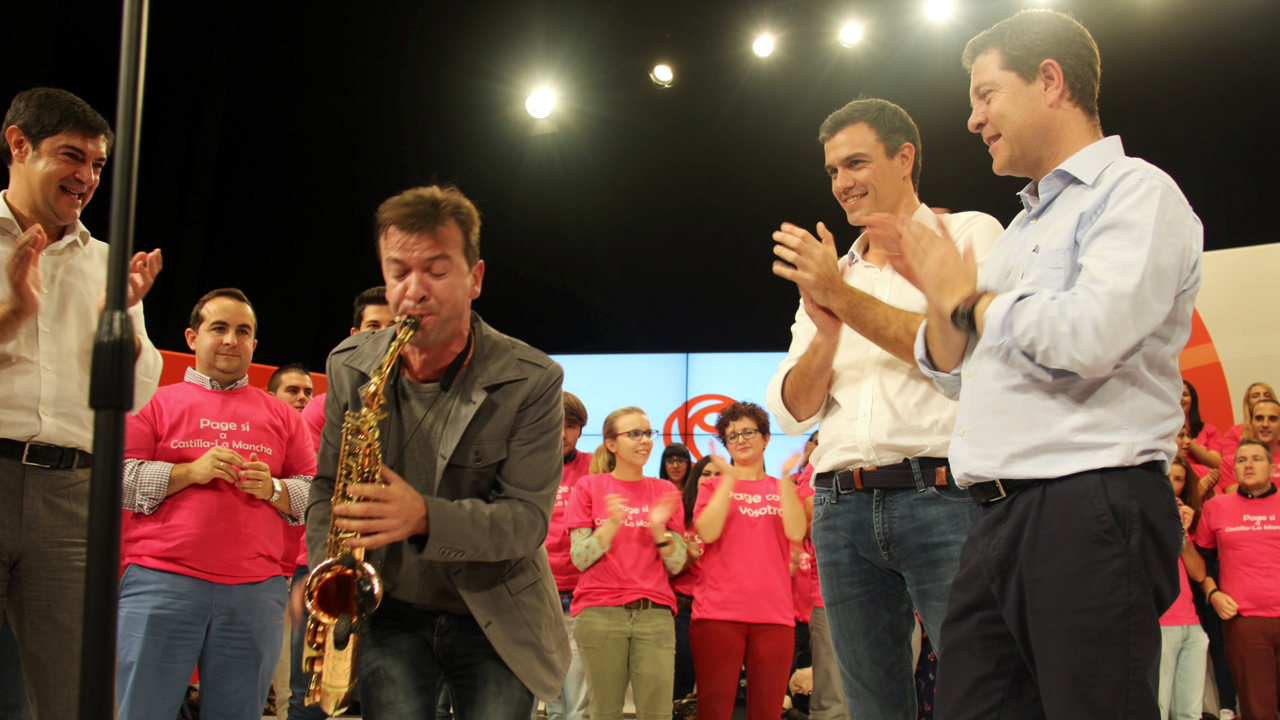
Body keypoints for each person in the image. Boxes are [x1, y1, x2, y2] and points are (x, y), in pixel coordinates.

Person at [874, 9, 1202, 718]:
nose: (973, 119)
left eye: (986, 94)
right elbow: (958, 373)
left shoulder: (1136, 192)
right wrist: (945, 301)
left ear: (1050, 81)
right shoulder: (1022, 227)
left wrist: (967, 298)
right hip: (995, 516)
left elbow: (1091, 335)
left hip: (1089, 503)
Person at [765, 96, 1003, 719]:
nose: (841, 183)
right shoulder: (833, 274)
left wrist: (838, 297)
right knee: (871, 709)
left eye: (856, 163)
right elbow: (792, 411)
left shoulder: (968, 235)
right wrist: (826, 333)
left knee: (988, 693)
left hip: (946, 498)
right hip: (839, 509)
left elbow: (961, 357)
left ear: (904, 158)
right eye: (832, 170)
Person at [305, 185, 570, 718]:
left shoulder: (533, 378)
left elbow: (525, 522)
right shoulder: (349, 364)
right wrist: (328, 573)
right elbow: (327, 487)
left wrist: (423, 517)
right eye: (399, 271)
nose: (414, 290)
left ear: (475, 278)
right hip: (388, 612)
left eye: (436, 270)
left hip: (496, 617)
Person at [0, 87, 163, 719]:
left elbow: (135, 396)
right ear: (19, 145)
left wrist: (115, 325)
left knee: (75, 697)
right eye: (72, 156)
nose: (88, 178)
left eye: (97, 164)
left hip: (72, 496)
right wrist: (15, 314)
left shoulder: (109, 266)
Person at [118, 288, 315, 719]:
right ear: (192, 337)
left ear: (254, 344)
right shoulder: (153, 402)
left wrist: (273, 490)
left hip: (256, 592)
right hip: (160, 582)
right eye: (219, 328)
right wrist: (188, 472)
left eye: (242, 331)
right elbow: (121, 481)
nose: (230, 340)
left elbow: (314, 495)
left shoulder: (284, 416)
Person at [566, 407, 686, 720]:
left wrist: (658, 529)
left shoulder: (665, 490)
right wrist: (611, 525)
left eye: (648, 433)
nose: (645, 440)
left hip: (655, 614)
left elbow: (677, 563)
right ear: (611, 444)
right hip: (600, 612)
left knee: (657, 714)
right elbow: (579, 558)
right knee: (604, 712)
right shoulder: (589, 487)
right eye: (634, 434)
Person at [691, 401, 806, 720]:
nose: (740, 440)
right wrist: (730, 480)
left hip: (774, 617)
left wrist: (786, 479)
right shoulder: (712, 485)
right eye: (732, 436)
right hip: (717, 615)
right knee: (713, 711)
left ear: (766, 438)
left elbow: (797, 531)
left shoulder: (783, 488)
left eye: (748, 432)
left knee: (768, 712)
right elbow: (707, 532)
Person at [1195, 439, 1280, 720]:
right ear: (1233, 471)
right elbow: (1202, 563)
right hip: (1244, 623)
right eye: (1241, 460)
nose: (1248, 465)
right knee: (1258, 710)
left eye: (1257, 459)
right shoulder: (1216, 507)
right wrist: (1213, 594)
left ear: (1272, 467)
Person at [543, 392, 592, 720]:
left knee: (575, 705)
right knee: (544, 697)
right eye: (556, 423)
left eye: (571, 426)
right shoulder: (523, 467)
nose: (562, 433)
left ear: (580, 429)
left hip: (580, 592)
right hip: (535, 591)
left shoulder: (595, 467)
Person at [300, 285, 394, 448]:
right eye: (373, 326)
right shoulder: (320, 409)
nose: (383, 336)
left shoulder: (420, 403)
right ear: (354, 336)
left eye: (392, 327)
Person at [1159, 459, 1209, 720]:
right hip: (1159, 623)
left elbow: (1199, 573)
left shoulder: (1182, 521)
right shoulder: (1140, 517)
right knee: (1157, 710)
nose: (1172, 484)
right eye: (1168, 476)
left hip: (1192, 625)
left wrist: (1181, 532)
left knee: (1189, 714)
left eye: (1179, 479)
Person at [671, 456, 713, 702]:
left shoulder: (734, 514)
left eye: (719, 474)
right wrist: (688, 558)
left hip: (719, 610)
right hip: (682, 610)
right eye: (706, 474)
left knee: (715, 691)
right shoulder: (679, 512)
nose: (712, 480)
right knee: (680, 689)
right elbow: (664, 569)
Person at [1218, 383, 1277, 488]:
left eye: (1272, 419)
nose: (1265, 424)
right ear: (1250, 424)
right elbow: (1236, 498)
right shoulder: (1230, 463)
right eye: (1259, 419)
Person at [1182, 380, 1223, 476]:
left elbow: (1217, 463)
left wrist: (1186, 440)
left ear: (1193, 400)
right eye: (1176, 394)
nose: (1181, 398)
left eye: (1185, 395)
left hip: (1205, 478)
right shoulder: (1164, 429)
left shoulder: (1209, 430)